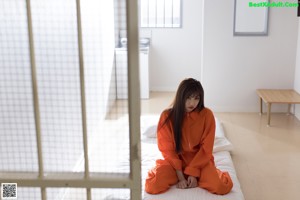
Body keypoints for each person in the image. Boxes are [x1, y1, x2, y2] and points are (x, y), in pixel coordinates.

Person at [145, 78, 233, 195]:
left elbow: (206, 149)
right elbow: (167, 150)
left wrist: (193, 172)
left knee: (221, 186)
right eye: (188, 98)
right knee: (152, 186)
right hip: (174, 165)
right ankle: (175, 174)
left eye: (197, 98)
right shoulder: (167, 116)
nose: (192, 103)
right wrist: (180, 176)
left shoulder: (207, 115)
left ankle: (212, 173)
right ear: (181, 96)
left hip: (200, 162)